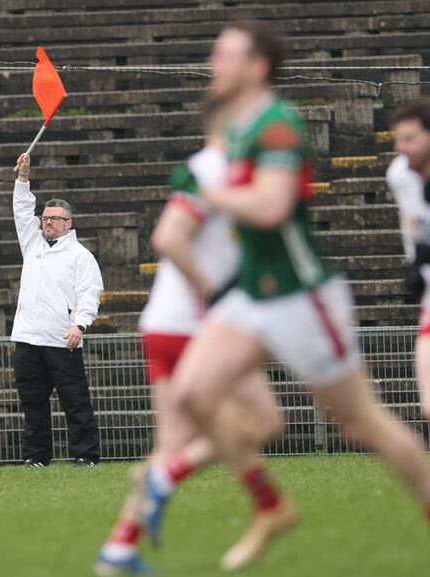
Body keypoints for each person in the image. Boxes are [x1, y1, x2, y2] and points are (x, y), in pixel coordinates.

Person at [156, 20, 430, 571]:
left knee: (363, 425)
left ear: (256, 68)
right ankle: (270, 505)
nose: (213, 63)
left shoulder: (278, 125)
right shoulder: (235, 127)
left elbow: (271, 208)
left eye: (224, 55)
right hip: (252, 296)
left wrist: (204, 191)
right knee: (190, 396)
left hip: (301, 298)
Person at [95, 110, 282, 576]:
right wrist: (214, 294)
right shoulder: (218, 169)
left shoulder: (229, 171)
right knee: (262, 420)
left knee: (172, 445)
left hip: (164, 324)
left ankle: (119, 547)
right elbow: (168, 237)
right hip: (195, 328)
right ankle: (187, 481)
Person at [11, 153, 104, 467]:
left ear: (68, 223)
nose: (46, 221)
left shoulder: (80, 256)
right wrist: (23, 179)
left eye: (54, 218)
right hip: (27, 338)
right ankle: (36, 456)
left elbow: (90, 294)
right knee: (32, 402)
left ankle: (85, 454)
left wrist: (79, 325)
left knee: (75, 401)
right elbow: (22, 211)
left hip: (62, 339)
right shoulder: (32, 244)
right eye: (45, 217)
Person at [387, 99, 430, 420]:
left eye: (410, 138)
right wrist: (415, 260)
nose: (401, 147)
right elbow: (413, 224)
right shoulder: (400, 174)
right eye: (398, 139)